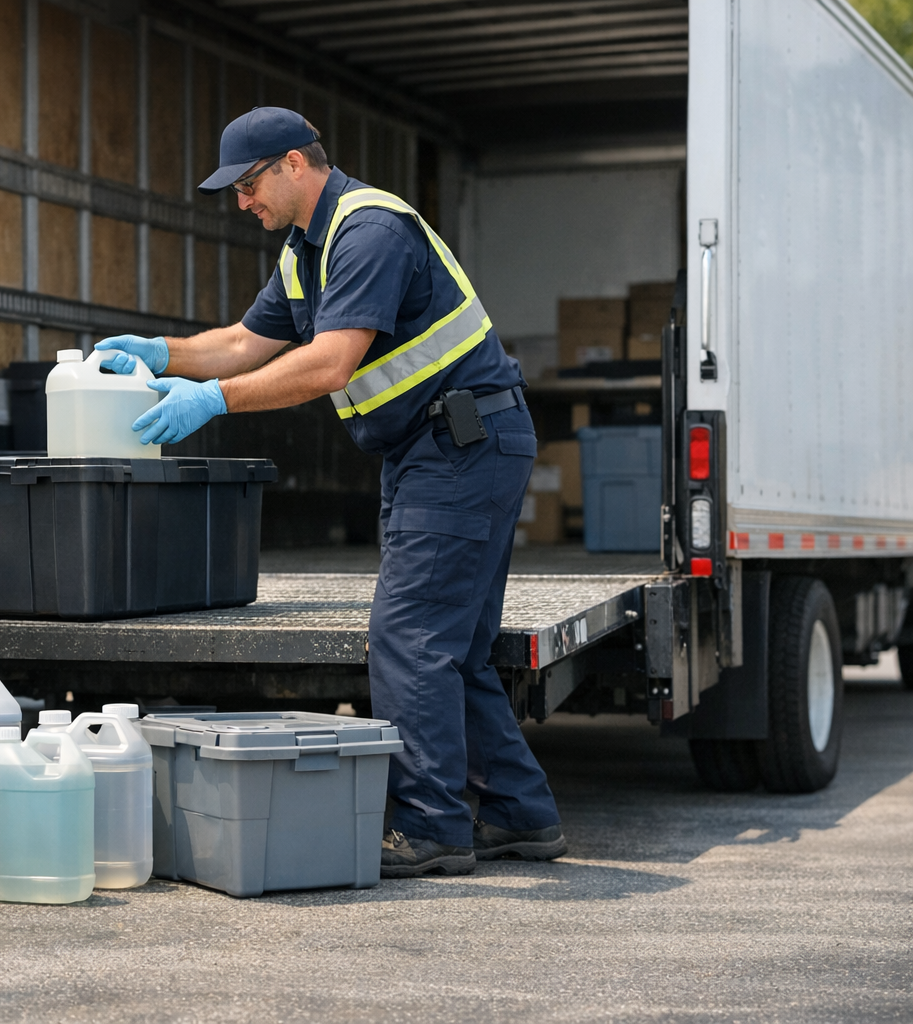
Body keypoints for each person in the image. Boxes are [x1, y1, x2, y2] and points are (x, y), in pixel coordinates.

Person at [96, 107, 567, 877]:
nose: (243, 203)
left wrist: (214, 400)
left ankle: (433, 828)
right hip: (442, 447)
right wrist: (163, 354)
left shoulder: (368, 229)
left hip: (460, 444)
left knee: (408, 637)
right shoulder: (304, 252)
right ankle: (521, 816)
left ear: (293, 164)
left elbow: (328, 365)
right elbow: (249, 341)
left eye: (248, 186)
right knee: (456, 649)